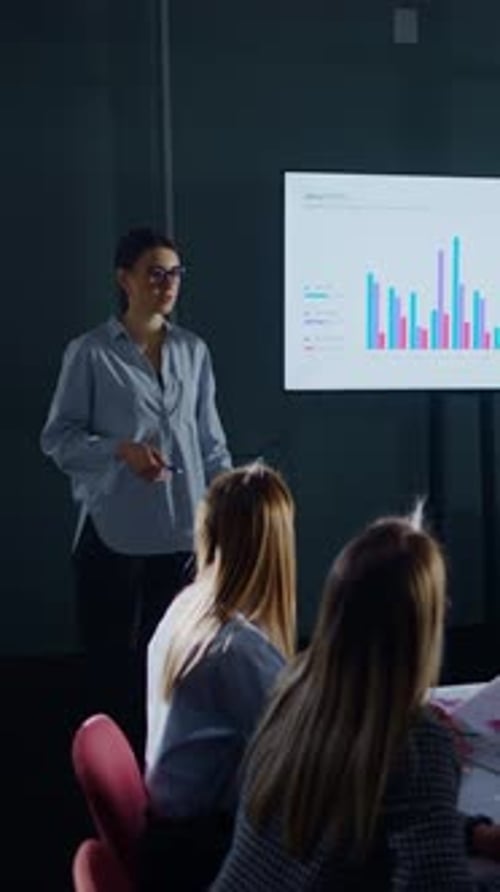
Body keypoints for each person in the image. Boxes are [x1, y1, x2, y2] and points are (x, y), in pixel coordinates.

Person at [213, 510, 500, 891]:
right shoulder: (413, 743)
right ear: (424, 624)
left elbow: (361, 815)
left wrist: (471, 831)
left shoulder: (294, 692)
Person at [40, 227, 231, 739]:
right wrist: (118, 451)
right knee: (110, 670)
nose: (167, 283)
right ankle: (108, 773)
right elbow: (57, 438)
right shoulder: (90, 353)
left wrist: (226, 512)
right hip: (114, 533)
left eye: (175, 274)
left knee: (172, 664)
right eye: (155, 273)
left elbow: (211, 442)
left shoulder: (193, 351)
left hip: (181, 535)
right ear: (124, 279)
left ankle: (164, 771)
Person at [142, 463, 297, 890]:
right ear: (276, 547)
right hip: (206, 856)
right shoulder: (236, 650)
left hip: (174, 841)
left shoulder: (188, 608)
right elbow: (303, 757)